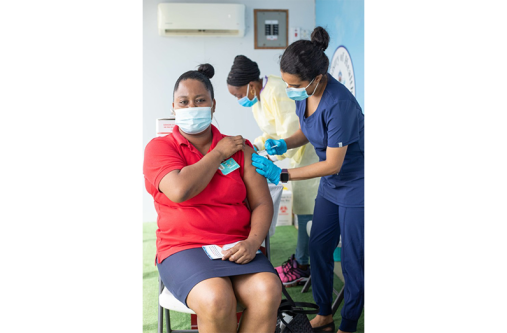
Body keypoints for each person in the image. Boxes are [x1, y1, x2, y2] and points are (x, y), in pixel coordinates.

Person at [143, 64, 282, 333]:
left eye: (200, 100)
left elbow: (262, 203)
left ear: (213, 105)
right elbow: (180, 189)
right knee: (217, 298)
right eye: (183, 102)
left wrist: (253, 242)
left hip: (237, 245)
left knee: (268, 290)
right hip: (183, 248)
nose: (191, 107)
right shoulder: (159, 148)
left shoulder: (240, 148)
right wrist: (218, 154)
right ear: (173, 107)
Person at [251, 27, 365, 333]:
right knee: (318, 247)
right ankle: (325, 314)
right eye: (287, 83)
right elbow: (309, 129)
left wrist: (283, 173)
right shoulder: (307, 94)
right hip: (332, 186)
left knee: (354, 261)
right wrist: (285, 143)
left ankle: (349, 325)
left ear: (317, 77)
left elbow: (332, 164)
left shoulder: (339, 104)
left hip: (356, 184)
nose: (290, 90)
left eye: (295, 85)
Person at [226, 55, 320, 287]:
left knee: (308, 212)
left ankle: (304, 264)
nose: (239, 99)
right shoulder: (259, 97)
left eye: (238, 95)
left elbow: (291, 132)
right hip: (293, 157)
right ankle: (302, 260)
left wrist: (272, 154)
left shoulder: (277, 90)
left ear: (251, 84)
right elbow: (272, 132)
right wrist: (255, 145)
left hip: (306, 154)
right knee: (303, 210)